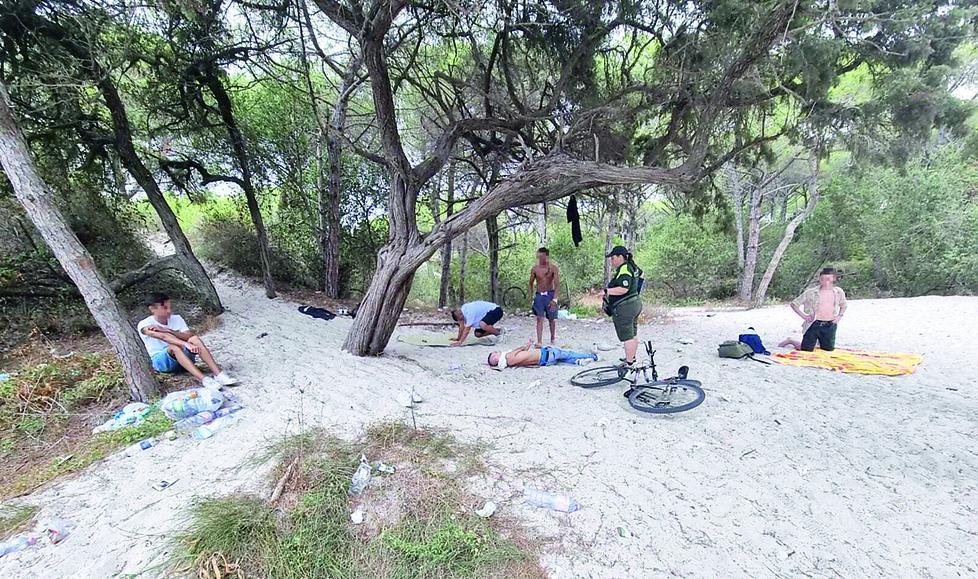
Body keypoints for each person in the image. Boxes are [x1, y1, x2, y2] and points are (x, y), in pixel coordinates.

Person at [137, 293, 237, 387]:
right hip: (162, 362)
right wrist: (185, 344)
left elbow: (188, 335)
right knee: (174, 347)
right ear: (152, 309)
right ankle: (203, 379)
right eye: (164, 308)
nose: (169, 311)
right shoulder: (145, 324)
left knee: (194, 339)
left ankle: (218, 374)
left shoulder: (177, 319)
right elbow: (163, 336)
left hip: (183, 357)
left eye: (170, 307)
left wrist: (168, 330)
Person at [779, 267, 848, 351]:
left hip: (830, 324)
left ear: (834, 279)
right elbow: (794, 304)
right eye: (822, 279)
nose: (825, 282)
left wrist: (839, 316)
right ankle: (791, 341)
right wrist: (804, 316)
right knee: (806, 349)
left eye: (828, 279)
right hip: (814, 323)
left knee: (827, 350)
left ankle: (819, 342)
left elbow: (844, 305)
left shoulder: (838, 292)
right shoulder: (811, 292)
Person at [604, 245, 643, 366]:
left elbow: (623, 288)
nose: (611, 260)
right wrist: (635, 290)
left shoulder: (625, 268)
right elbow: (641, 275)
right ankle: (631, 357)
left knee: (627, 336)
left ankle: (629, 364)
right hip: (635, 303)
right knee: (632, 333)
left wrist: (606, 291)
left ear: (621, 257)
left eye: (613, 257)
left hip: (625, 307)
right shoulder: (632, 266)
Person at [487, 339, 596, 369]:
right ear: (496, 357)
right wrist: (527, 344)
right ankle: (593, 356)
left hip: (543, 362)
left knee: (561, 360)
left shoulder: (510, 363)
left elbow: (524, 355)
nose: (498, 352)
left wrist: (528, 345)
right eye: (495, 353)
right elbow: (521, 349)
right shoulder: (509, 356)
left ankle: (578, 362)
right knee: (568, 353)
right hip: (546, 354)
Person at [529, 247, 561, 346]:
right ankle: (539, 341)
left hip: (550, 295)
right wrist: (531, 298)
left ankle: (552, 338)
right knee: (539, 318)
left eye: (542, 257)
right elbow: (530, 283)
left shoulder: (553, 268)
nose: (540, 259)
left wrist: (555, 299)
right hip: (539, 296)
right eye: (539, 257)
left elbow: (557, 285)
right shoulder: (535, 269)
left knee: (552, 319)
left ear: (547, 256)